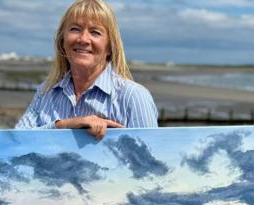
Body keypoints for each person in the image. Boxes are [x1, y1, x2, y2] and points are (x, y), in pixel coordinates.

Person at [15, 0, 158, 139]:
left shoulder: (133, 97)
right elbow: (14, 142)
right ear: (62, 41)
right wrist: (63, 125)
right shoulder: (46, 92)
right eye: (75, 29)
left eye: (95, 32)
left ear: (110, 47)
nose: (83, 39)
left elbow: (150, 159)